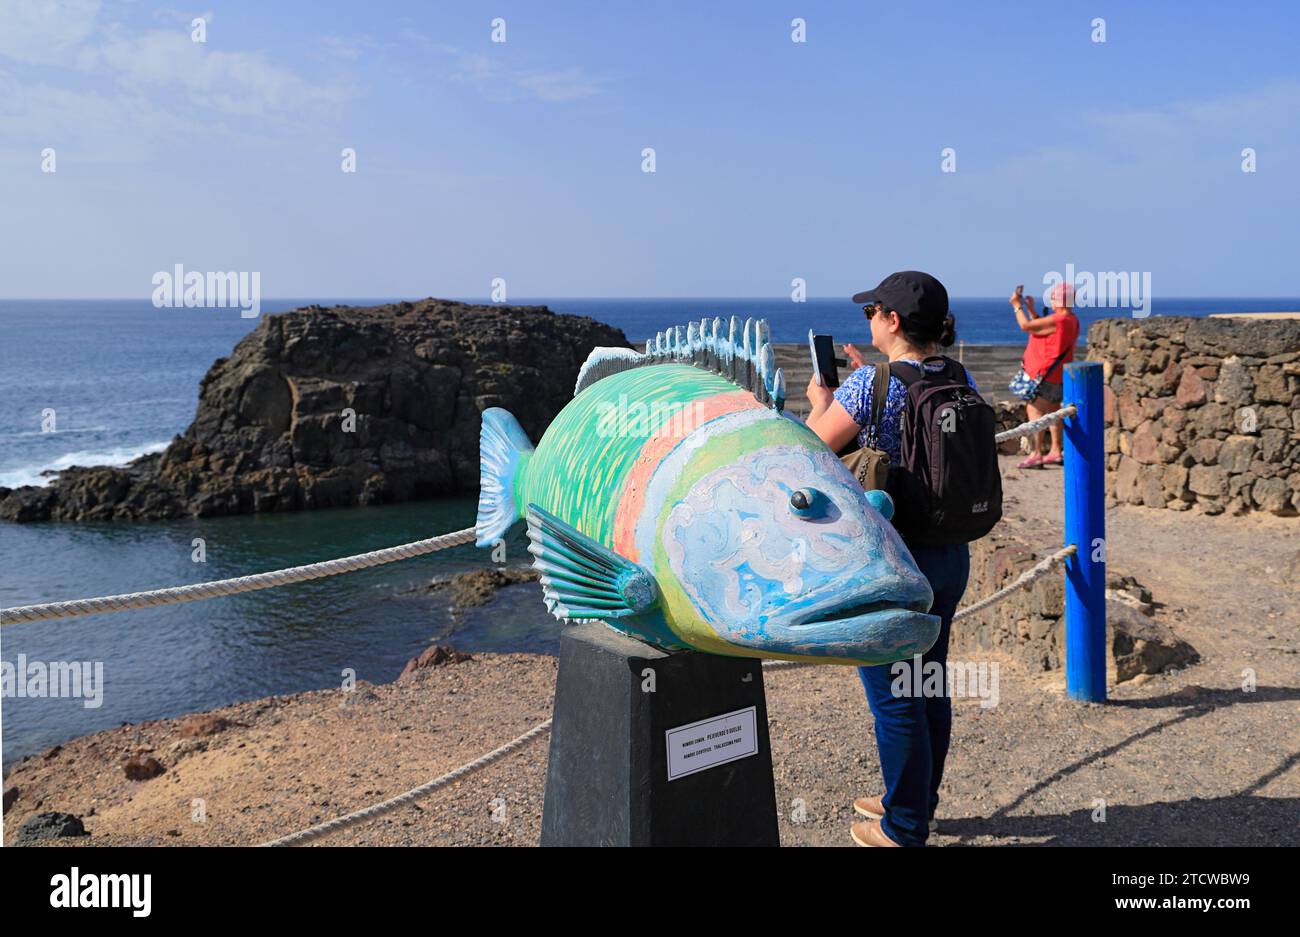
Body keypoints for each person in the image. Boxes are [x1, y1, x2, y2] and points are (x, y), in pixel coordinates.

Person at [804, 270, 973, 848]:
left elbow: (813, 452)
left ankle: (903, 829)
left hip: (894, 565)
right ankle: (915, 800)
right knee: (928, 682)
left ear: (892, 320)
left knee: (896, 700)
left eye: (871, 311)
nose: (869, 320)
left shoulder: (871, 385)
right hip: (949, 555)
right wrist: (864, 386)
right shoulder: (953, 372)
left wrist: (823, 403)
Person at [1010, 281, 1080, 468]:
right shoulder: (1071, 319)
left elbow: (1026, 326)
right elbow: (1041, 328)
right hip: (1058, 373)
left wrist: (1017, 306)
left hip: (1044, 373)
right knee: (1054, 412)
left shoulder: (1059, 319)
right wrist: (1032, 310)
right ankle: (1056, 451)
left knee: (1036, 412)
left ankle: (1036, 453)